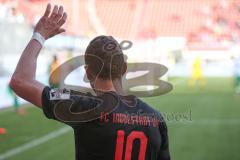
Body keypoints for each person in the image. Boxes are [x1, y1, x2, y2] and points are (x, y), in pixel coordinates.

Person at [9, 4, 170, 160]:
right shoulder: (155, 118)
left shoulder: (81, 106)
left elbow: (20, 81)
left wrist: (39, 35)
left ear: (87, 72)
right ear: (124, 68)